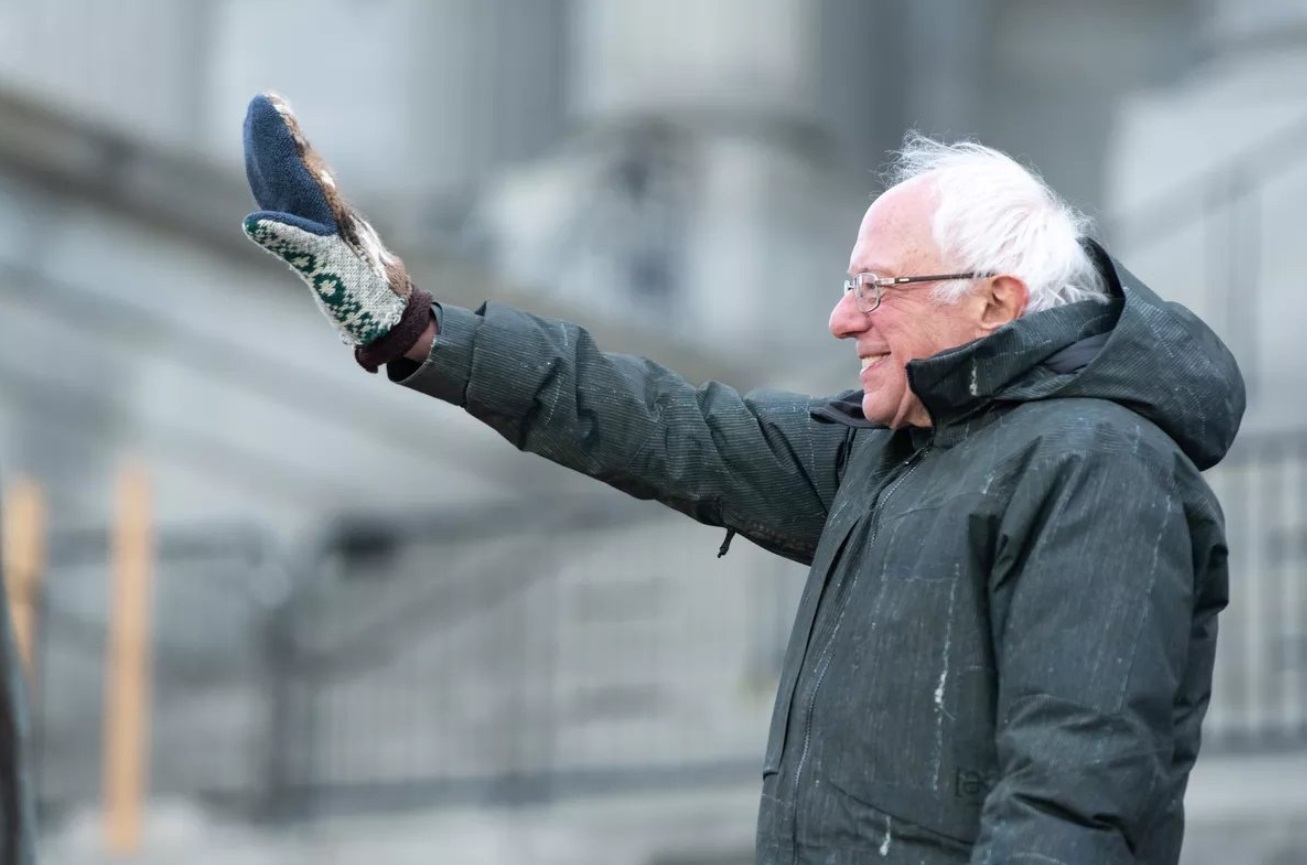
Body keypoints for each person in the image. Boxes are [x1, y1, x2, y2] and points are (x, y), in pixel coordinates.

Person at [241, 92, 1245, 865]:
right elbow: (665, 425)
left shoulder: (1100, 467)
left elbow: (1073, 795)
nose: (840, 320)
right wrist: (421, 333)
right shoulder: (894, 451)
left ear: (994, 300)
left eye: (873, 288)